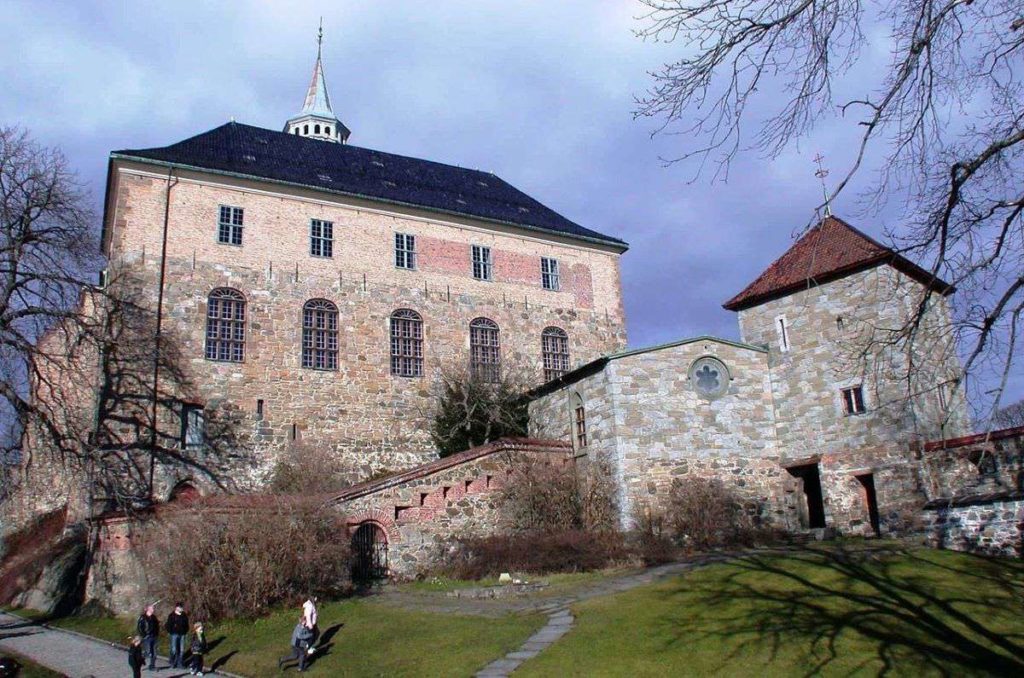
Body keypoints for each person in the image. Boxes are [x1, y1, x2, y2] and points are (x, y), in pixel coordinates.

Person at [166, 602, 190, 669]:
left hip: (182, 634)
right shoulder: (172, 615)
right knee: (174, 649)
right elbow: (168, 625)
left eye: (182, 607)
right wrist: (171, 631)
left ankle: (180, 663)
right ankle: (172, 662)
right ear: (177, 608)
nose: (182, 608)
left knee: (181, 650)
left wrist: (185, 631)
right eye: (180, 607)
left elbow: (186, 624)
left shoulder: (184, 615)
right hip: (174, 634)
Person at [136, 604, 159, 671]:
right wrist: (144, 635)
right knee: (147, 652)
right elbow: (140, 627)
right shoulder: (143, 617)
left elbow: (157, 626)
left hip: (154, 636)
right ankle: (139, 662)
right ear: (148, 609)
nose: (153, 609)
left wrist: (156, 634)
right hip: (147, 637)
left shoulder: (154, 617)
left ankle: (152, 666)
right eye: (152, 608)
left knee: (154, 652)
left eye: (153, 608)